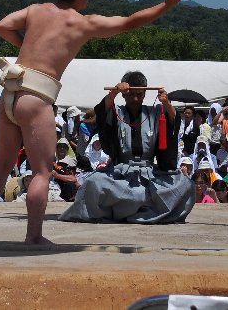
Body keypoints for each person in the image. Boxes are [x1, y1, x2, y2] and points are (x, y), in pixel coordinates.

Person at [0, 0, 189, 244]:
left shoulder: (35, 9)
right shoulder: (82, 23)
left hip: (9, 93)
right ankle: (34, 235)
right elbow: (130, 22)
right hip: (36, 96)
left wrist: (26, 45)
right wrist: (166, 5)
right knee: (41, 170)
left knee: (2, 164)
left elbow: (2, 26)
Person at [61, 70, 195, 225]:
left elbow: (173, 120)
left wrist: (166, 103)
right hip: (120, 173)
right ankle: (139, 211)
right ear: (124, 95)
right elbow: (101, 111)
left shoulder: (155, 112)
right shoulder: (117, 112)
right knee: (93, 183)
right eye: (131, 95)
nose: (136, 99)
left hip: (150, 172)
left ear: (145, 94)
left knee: (186, 185)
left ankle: (128, 212)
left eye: (140, 95)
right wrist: (114, 92)